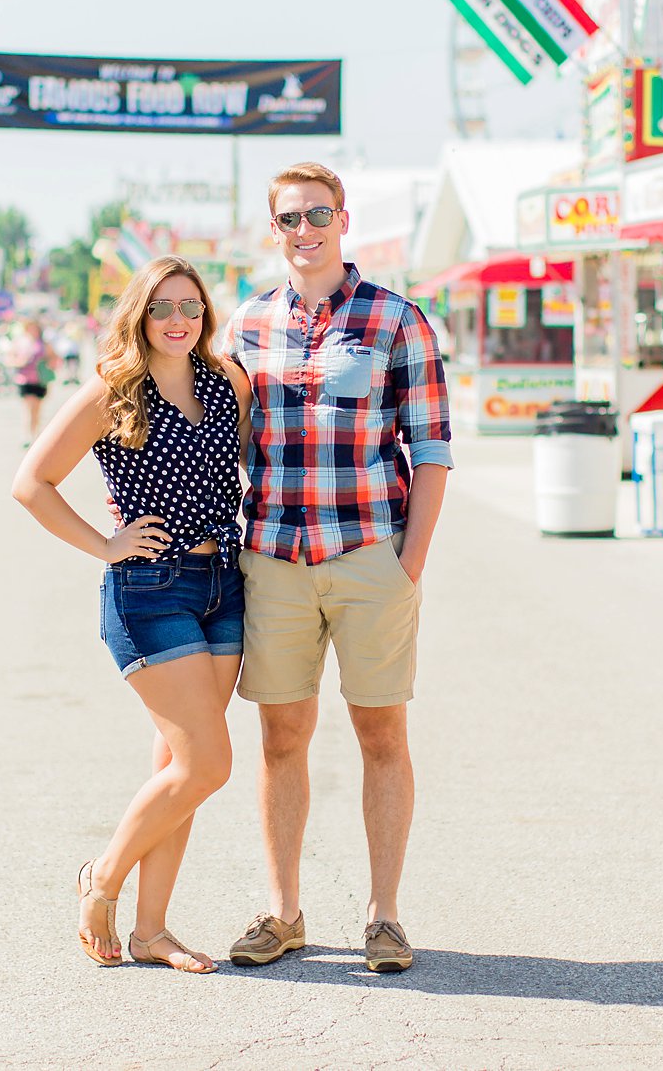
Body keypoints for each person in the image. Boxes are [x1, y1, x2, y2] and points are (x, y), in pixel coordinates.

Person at [219, 162, 451, 976]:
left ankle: (384, 917)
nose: (305, 230)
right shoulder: (245, 325)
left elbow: (432, 449)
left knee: (380, 732)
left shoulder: (397, 320)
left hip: (367, 558)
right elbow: (220, 438)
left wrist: (408, 563)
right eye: (289, 219)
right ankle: (284, 912)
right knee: (281, 737)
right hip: (275, 559)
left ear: (343, 220)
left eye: (318, 214)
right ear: (273, 229)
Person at [12, 256, 251, 973]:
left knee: (179, 765)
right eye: (162, 308)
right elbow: (32, 484)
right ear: (139, 316)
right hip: (150, 590)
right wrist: (106, 545)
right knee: (208, 764)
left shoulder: (228, 383)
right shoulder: (113, 392)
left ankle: (151, 931)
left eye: (191, 307)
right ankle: (103, 879)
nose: (178, 320)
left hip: (223, 585)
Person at [8, 318, 58, 444]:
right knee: (28, 407)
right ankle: (28, 434)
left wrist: (49, 366)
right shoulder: (20, 342)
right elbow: (10, 358)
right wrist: (19, 362)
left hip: (40, 380)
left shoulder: (43, 343)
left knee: (36, 409)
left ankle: (35, 433)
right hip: (24, 379)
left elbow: (54, 358)